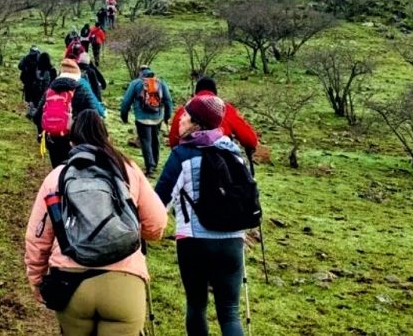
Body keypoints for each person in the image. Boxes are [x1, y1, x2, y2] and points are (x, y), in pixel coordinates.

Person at [25, 110, 168, 336]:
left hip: (70, 284)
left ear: (72, 141)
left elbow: (37, 238)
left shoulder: (58, 176)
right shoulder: (127, 169)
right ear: (106, 137)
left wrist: (37, 279)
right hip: (124, 285)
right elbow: (157, 224)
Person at [154, 95, 246, 336]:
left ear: (196, 123)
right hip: (233, 240)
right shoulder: (233, 152)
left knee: (196, 305)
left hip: (194, 241)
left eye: (185, 115)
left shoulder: (182, 155)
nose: (180, 119)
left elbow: (159, 202)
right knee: (230, 311)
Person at [34, 59, 105, 167]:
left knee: (58, 170)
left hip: (53, 139)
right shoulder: (82, 88)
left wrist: (43, 131)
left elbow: (36, 116)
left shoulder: (51, 88)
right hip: (75, 140)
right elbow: (94, 116)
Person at [169, 77, 258, 151]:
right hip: (220, 161)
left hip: (187, 158)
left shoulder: (184, 110)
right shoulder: (226, 109)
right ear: (215, 93)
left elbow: (173, 142)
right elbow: (249, 140)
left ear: (196, 93)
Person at [120, 65, 173, 176]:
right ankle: (155, 163)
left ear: (140, 72)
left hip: (142, 118)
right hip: (157, 117)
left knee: (145, 141)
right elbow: (168, 100)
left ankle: (150, 167)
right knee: (155, 139)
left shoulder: (136, 83)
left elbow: (126, 101)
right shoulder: (160, 82)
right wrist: (167, 116)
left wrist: (124, 116)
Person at [19, 46, 42, 116]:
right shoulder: (37, 58)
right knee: (33, 97)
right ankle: (32, 112)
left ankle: (31, 111)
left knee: (30, 97)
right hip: (33, 80)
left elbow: (20, 66)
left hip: (30, 80)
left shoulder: (27, 57)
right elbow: (20, 66)